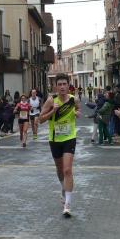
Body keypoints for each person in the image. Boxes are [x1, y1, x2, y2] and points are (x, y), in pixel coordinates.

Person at [39, 73, 81, 217]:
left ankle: (67, 204)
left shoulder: (73, 99)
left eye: (65, 84)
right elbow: (40, 120)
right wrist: (53, 111)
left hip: (70, 137)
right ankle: (63, 187)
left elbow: (78, 109)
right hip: (55, 139)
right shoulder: (51, 100)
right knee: (60, 169)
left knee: (67, 170)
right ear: (56, 86)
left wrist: (77, 112)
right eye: (60, 84)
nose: (62, 87)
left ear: (68, 85)